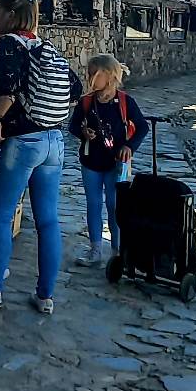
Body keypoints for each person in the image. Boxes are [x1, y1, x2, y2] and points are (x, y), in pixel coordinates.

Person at [0, 0, 82, 317]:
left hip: (24, 142)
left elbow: (8, 87)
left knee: (0, 216)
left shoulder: (9, 44)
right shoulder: (44, 46)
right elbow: (75, 88)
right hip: (54, 140)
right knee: (48, 221)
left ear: (11, 14)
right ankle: (45, 296)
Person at [69, 56, 150, 265]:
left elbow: (142, 127)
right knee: (93, 204)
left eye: (94, 74)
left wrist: (129, 146)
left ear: (109, 76)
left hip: (116, 164)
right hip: (91, 162)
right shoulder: (86, 102)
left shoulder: (124, 102)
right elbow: (73, 126)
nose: (89, 78)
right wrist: (83, 133)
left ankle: (117, 251)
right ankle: (95, 249)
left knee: (115, 206)